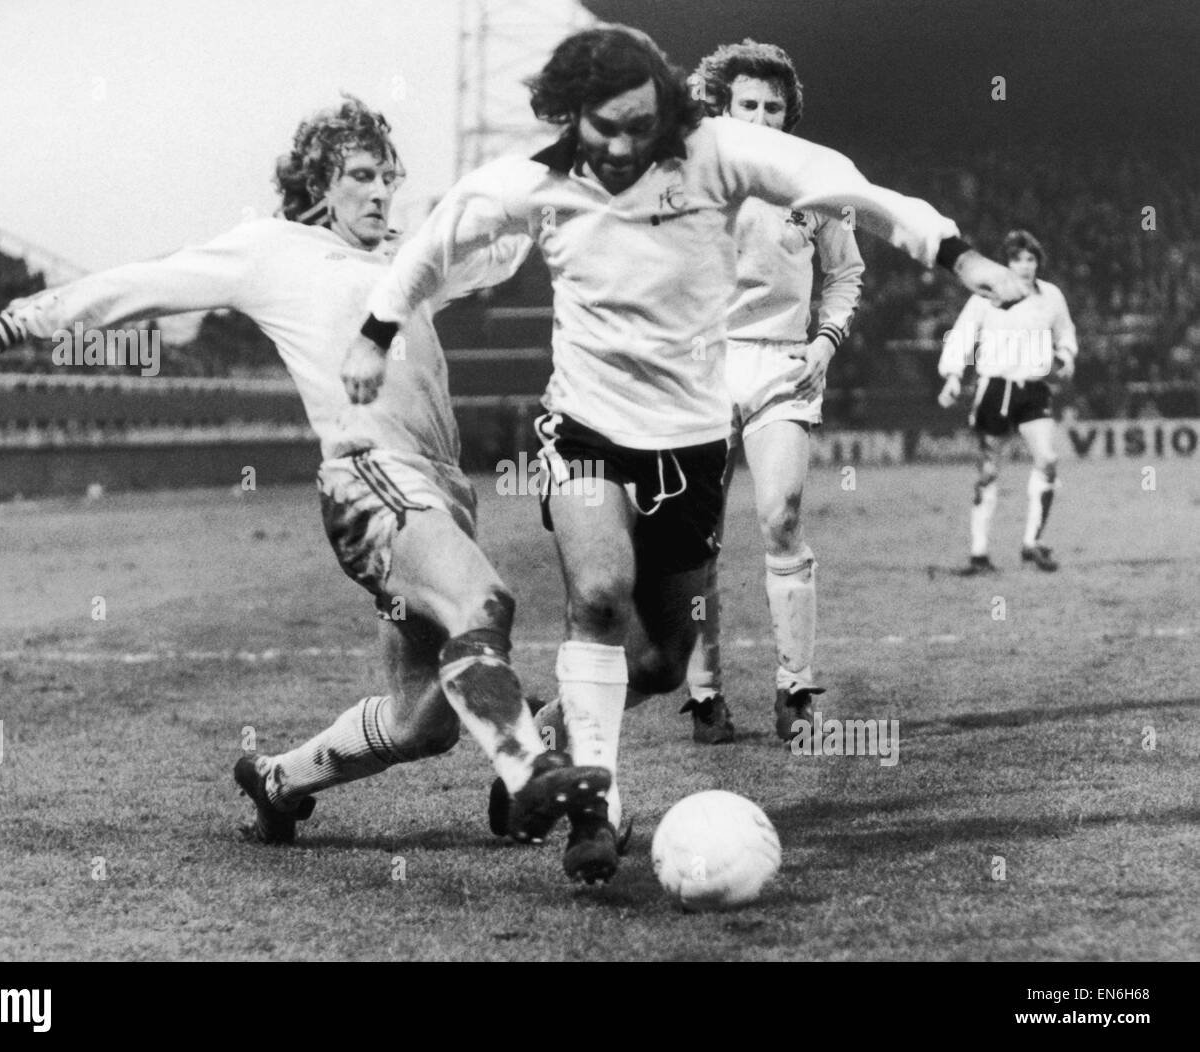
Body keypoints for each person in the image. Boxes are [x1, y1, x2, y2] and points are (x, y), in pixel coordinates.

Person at [340, 26, 1027, 884]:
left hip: (692, 445)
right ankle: (596, 810)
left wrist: (956, 254)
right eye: (605, 127)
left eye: (640, 123)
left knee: (662, 662)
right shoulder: (534, 179)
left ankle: (551, 733)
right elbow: (432, 242)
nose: (625, 144)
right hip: (585, 429)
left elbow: (841, 182)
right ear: (571, 117)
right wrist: (373, 333)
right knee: (596, 594)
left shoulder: (714, 153)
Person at [0, 96, 612, 856]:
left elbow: (494, 243)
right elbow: (140, 283)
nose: (383, 192)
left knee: (422, 723)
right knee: (485, 599)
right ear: (321, 182)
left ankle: (278, 781)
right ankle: (532, 774)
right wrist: (16, 322)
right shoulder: (272, 249)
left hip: (440, 493)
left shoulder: (399, 266)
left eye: (391, 177)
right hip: (371, 482)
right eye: (363, 175)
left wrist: (571, 167)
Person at [679, 40, 864, 746]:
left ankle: (795, 689)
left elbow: (846, 275)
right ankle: (704, 695)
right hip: (701, 369)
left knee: (782, 516)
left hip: (783, 363)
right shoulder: (692, 172)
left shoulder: (816, 180)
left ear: (789, 115)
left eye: (773, 106)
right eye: (747, 104)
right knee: (698, 539)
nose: (760, 116)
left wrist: (823, 342)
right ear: (723, 108)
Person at [938, 229, 1077, 573]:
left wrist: (1066, 360)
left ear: (1038, 262)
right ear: (1007, 261)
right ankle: (979, 554)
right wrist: (953, 375)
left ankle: (1032, 543)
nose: (1025, 266)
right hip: (995, 389)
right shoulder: (986, 295)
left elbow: (1066, 336)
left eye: (1031, 259)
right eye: (1018, 259)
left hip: (1033, 388)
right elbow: (962, 336)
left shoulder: (1051, 297)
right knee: (988, 470)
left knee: (1048, 458)